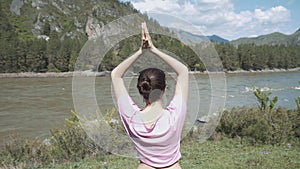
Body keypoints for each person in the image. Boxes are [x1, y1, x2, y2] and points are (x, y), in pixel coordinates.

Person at [111, 22, 189, 169]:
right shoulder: (175, 116)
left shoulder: (132, 118)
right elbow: (183, 71)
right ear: (164, 89)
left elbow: (116, 75)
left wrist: (140, 51)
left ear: (141, 89)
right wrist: (154, 49)